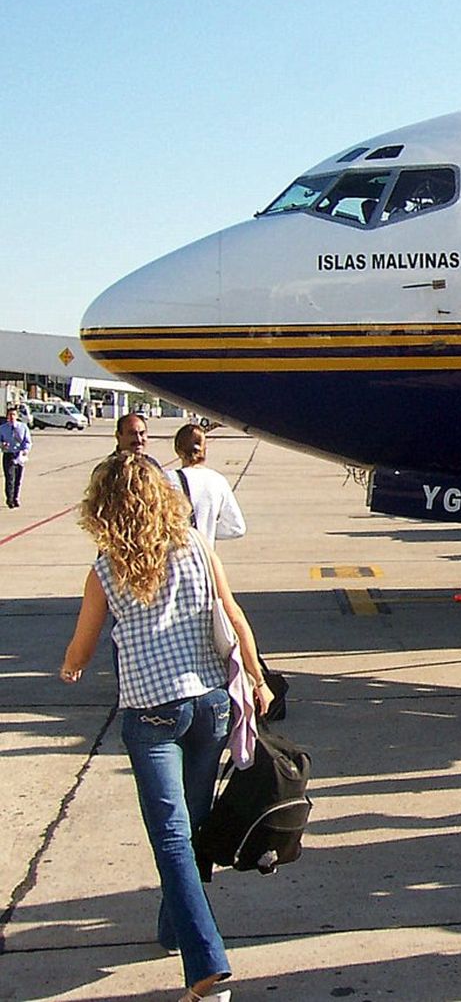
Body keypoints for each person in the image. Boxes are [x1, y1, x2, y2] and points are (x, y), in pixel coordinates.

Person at [59, 452, 276, 1002]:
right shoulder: (198, 548)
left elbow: (83, 644)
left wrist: (71, 665)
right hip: (209, 706)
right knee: (191, 827)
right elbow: (231, 613)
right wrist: (257, 676)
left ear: (103, 508)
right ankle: (172, 929)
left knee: (172, 839)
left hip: (151, 715)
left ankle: (207, 968)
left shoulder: (105, 568)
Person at [173, 424, 247, 548]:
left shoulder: (166, 479)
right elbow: (237, 528)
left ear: (177, 450)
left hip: (176, 558)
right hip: (205, 559)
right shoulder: (218, 480)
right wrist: (208, 528)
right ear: (204, 450)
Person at [2, 404, 32, 509]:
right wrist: (2, 444)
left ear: (17, 416)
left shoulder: (23, 427)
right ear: (7, 417)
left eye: (14, 415)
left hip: (19, 455)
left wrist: (25, 450)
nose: (12, 417)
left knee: (18, 479)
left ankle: (16, 498)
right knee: (10, 478)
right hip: (8, 454)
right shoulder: (2, 428)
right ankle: (9, 499)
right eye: (10, 415)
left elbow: (27, 441)